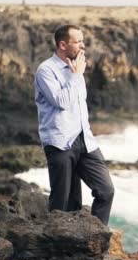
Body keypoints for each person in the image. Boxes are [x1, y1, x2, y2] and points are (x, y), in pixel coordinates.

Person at [34, 24, 114, 225]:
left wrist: (76, 74)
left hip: (85, 140)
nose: (83, 45)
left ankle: (96, 238)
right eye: (78, 41)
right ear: (63, 44)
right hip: (60, 142)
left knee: (105, 190)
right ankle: (57, 248)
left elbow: (79, 106)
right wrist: (76, 75)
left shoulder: (76, 68)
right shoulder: (46, 70)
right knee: (64, 204)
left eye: (82, 40)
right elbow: (61, 102)